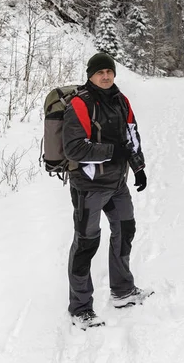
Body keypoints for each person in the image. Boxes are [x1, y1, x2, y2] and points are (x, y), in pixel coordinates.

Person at [62, 52, 150, 328]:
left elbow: (131, 135)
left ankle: (122, 291)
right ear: (90, 75)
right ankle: (80, 308)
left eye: (109, 72)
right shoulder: (79, 104)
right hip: (89, 187)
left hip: (116, 185)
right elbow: (73, 148)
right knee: (86, 244)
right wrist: (114, 152)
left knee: (125, 231)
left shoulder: (121, 100)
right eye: (100, 72)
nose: (106, 76)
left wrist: (138, 167)